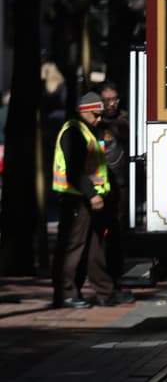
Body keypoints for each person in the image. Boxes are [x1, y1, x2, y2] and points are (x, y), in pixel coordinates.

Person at [52, 93, 134, 308]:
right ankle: (67, 293)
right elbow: (74, 170)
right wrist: (91, 194)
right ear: (83, 111)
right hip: (77, 199)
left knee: (95, 246)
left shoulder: (88, 131)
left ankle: (105, 292)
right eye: (95, 115)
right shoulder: (73, 132)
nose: (99, 119)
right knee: (75, 245)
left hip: (90, 198)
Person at [99, 81, 130, 286]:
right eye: (107, 100)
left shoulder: (126, 119)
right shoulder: (96, 123)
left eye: (114, 99)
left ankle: (115, 272)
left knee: (118, 228)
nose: (112, 104)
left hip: (121, 182)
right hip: (101, 183)